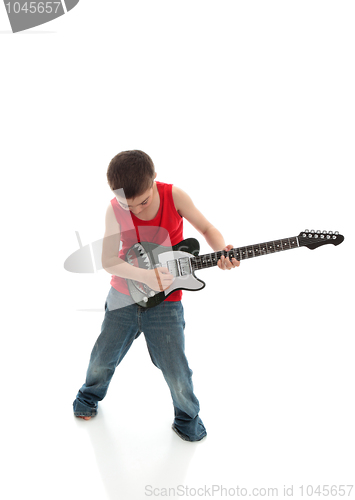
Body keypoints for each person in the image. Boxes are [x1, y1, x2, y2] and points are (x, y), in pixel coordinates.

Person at [73, 150, 240, 441]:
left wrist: (222, 250)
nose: (136, 210)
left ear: (154, 180)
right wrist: (145, 276)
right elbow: (109, 260)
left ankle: (187, 418)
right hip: (123, 297)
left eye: (144, 202)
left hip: (167, 302)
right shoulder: (114, 210)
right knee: (103, 357)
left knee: (176, 368)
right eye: (129, 205)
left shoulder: (175, 196)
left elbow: (206, 228)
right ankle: (88, 397)